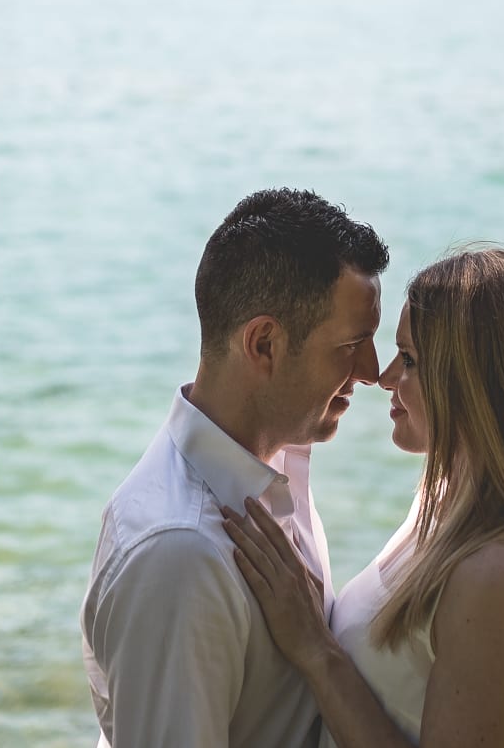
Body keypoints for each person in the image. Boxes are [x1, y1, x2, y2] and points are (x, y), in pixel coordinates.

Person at [222, 247, 504, 748]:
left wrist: (315, 648)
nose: (384, 378)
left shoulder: (500, 574)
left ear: (475, 385)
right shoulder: (447, 499)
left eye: (409, 360)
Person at [82, 188, 391, 748]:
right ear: (264, 344)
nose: (373, 371)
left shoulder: (275, 461)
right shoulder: (180, 557)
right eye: (351, 344)